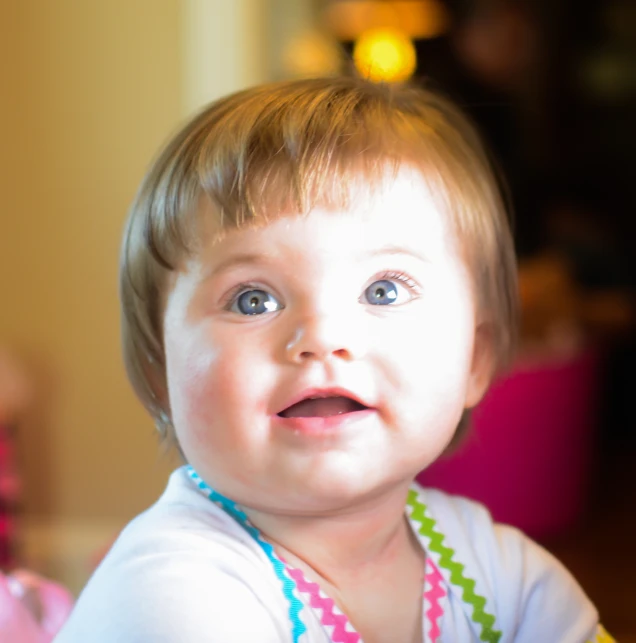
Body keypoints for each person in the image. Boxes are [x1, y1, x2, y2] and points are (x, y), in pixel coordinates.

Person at [54, 76, 613, 642]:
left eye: (384, 291)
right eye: (254, 300)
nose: (322, 337)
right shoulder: (172, 592)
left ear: (477, 357)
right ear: (160, 374)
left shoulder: (495, 570)